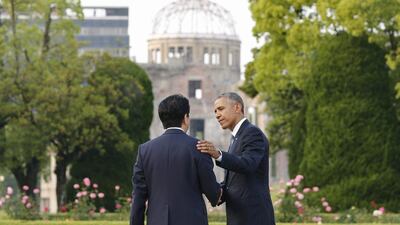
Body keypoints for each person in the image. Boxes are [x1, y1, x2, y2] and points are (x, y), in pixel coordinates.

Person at [130, 94, 222, 225]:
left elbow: (138, 199)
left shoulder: (145, 150)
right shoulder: (200, 148)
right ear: (185, 117)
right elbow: (214, 194)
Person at [197, 92, 275, 225]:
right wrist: (215, 191)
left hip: (254, 217)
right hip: (240, 216)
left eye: (221, 109)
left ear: (237, 107)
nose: (217, 115)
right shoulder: (236, 136)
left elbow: (248, 164)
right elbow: (235, 180)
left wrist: (218, 154)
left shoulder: (252, 133)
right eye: (215, 111)